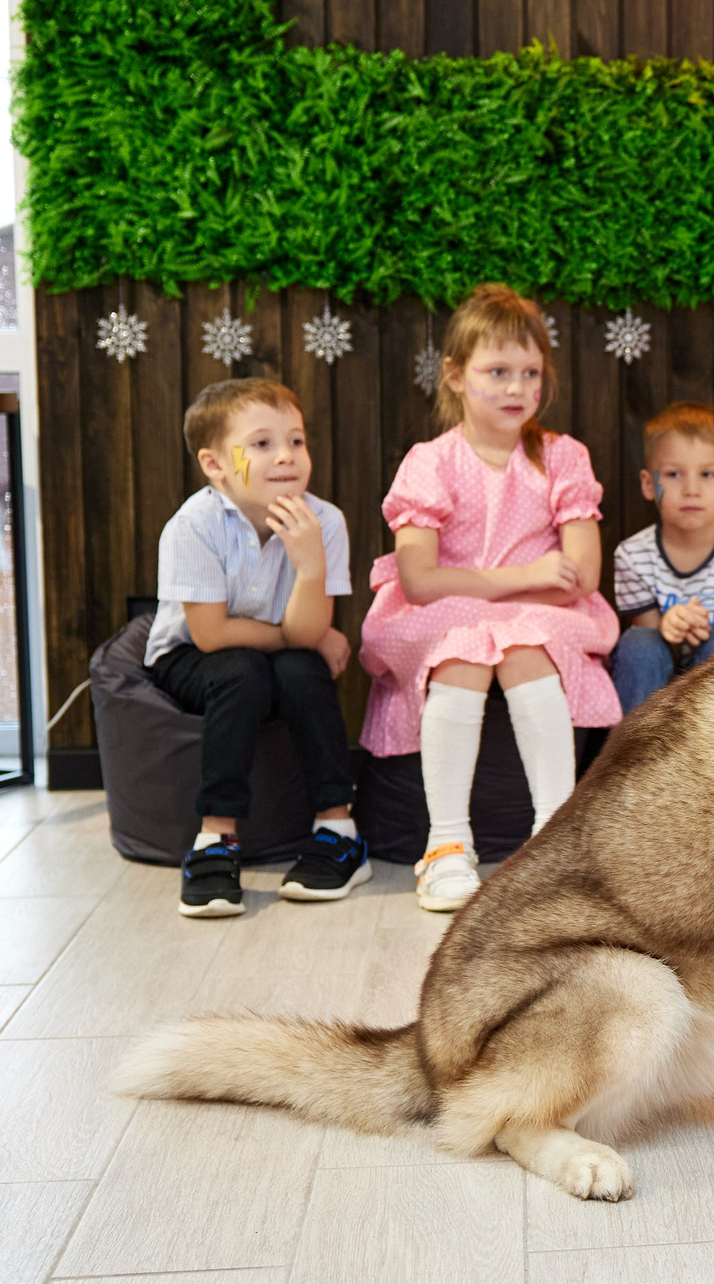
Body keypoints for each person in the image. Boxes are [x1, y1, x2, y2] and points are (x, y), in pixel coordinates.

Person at [359, 284, 620, 912]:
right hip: (445, 611)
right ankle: (446, 845)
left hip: (539, 616)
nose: (516, 389)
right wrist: (524, 575)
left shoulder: (561, 457)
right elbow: (421, 579)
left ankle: (555, 841)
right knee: (464, 651)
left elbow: (581, 573)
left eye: (530, 374)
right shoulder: (432, 462)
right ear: (454, 376)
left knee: (526, 645)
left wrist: (523, 586)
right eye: (497, 372)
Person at [145, 377, 365, 918]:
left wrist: (310, 566)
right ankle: (216, 838)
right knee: (243, 669)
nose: (287, 456)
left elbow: (307, 640)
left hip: (274, 656)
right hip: (193, 658)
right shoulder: (192, 526)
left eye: (296, 440)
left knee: (300, 669)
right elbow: (211, 636)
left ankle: (339, 830)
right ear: (215, 465)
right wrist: (297, 635)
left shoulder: (324, 522)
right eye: (262, 444)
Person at [610, 402, 714, 713]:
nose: (691, 489)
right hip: (656, 678)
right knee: (638, 645)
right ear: (648, 484)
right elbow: (647, 634)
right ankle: (635, 753)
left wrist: (704, 631)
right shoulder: (632, 555)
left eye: (707, 474)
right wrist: (667, 627)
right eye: (673, 474)